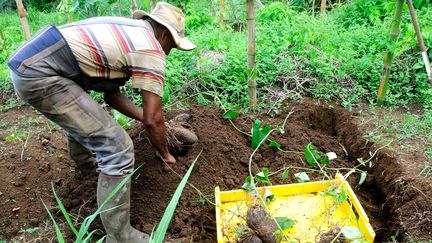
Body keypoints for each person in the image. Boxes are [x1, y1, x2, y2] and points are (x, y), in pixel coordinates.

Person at [8, 2, 195, 242]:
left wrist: (155, 123)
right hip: (41, 74)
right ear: (163, 33)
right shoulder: (150, 48)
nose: (169, 52)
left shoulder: (130, 32)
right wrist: (165, 154)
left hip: (33, 63)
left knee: (84, 121)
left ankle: (87, 172)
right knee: (119, 148)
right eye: (172, 45)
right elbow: (152, 118)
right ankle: (119, 235)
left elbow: (112, 96)